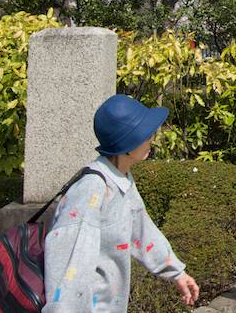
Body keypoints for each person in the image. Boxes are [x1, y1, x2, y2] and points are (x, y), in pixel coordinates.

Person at [43, 94, 200, 312]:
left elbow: (141, 230)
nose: (151, 139)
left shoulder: (120, 179)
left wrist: (176, 273)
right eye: (146, 134)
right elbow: (69, 265)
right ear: (127, 144)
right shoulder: (92, 190)